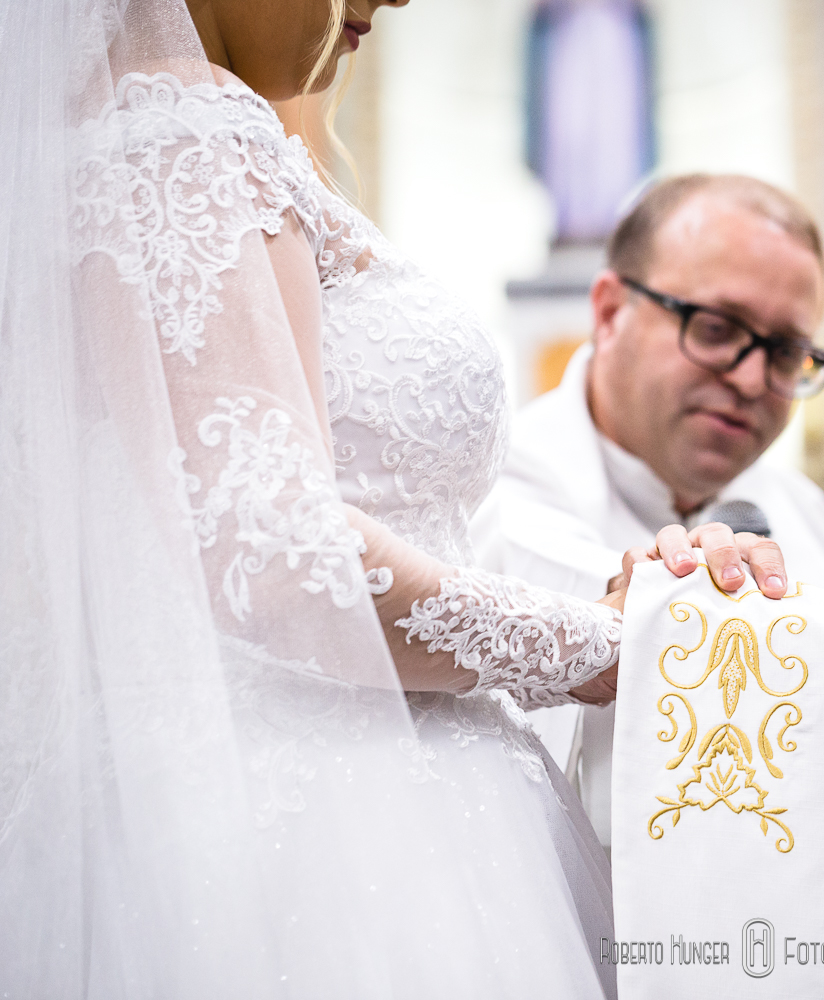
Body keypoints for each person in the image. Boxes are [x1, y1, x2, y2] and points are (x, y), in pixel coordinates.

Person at [0, 0, 783, 994]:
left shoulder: (103, 138)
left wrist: (600, 610)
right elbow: (274, 550)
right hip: (332, 831)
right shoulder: (180, 131)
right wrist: (593, 644)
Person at [472, 174, 824, 1000]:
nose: (754, 380)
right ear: (609, 310)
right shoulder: (494, 493)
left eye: (787, 352)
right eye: (717, 330)